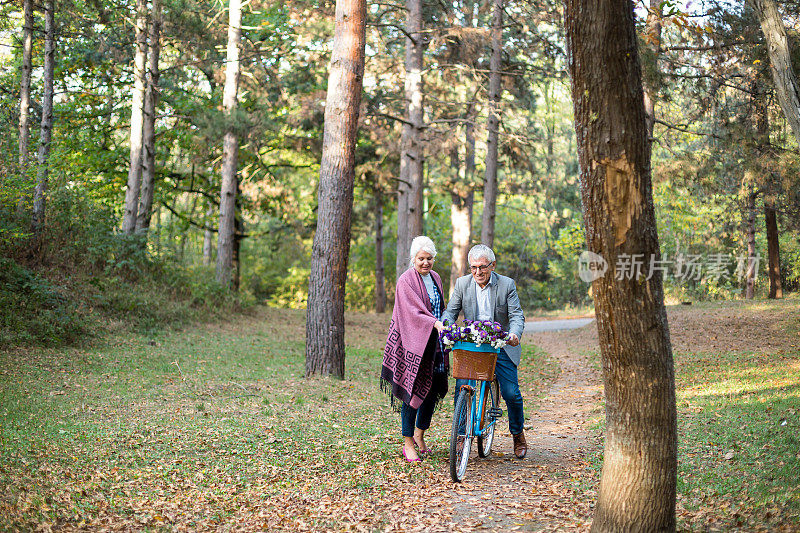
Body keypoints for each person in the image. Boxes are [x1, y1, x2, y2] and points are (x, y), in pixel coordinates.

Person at [442, 244, 528, 458]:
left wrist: (515, 334)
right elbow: (450, 311)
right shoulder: (463, 284)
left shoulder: (507, 285)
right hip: (473, 346)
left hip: (501, 346)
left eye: (482, 267)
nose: (478, 272)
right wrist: (445, 326)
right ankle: (461, 434)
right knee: (462, 386)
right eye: (473, 267)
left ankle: (517, 433)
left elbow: (517, 315)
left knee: (511, 394)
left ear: (493, 265)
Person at [381, 236, 449, 462]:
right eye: (421, 258)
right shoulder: (406, 280)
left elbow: (440, 307)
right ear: (413, 259)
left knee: (433, 390)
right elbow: (411, 313)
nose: (426, 263)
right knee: (412, 393)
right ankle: (407, 443)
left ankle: (420, 435)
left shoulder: (436, 278)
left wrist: (443, 326)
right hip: (412, 345)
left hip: (435, 344)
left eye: (430, 258)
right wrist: (434, 323)